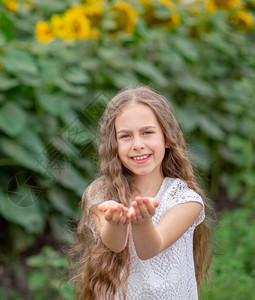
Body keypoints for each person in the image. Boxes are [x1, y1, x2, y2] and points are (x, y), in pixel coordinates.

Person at [68, 85, 212, 300]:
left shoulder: (185, 200)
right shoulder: (99, 193)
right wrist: (116, 222)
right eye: (125, 136)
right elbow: (115, 244)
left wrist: (141, 221)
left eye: (147, 132)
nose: (137, 144)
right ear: (114, 145)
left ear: (166, 138)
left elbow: (149, 249)